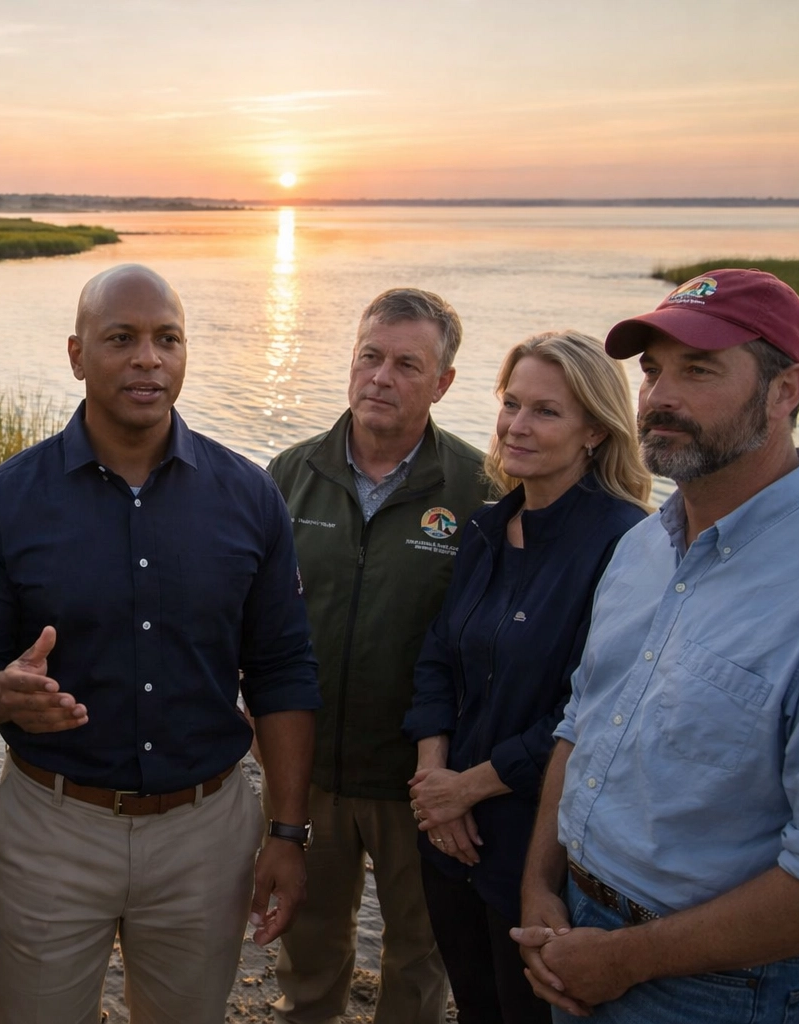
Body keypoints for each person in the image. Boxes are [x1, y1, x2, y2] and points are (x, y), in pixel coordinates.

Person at [0, 264, 319, 1024]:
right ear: (77, 354)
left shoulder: (249, 498)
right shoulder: (5, 502)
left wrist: (287, 831)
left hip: (206, 836)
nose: (148, 359)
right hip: (53, 827)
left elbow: (282, 671)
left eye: (167, 339)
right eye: (123, 339)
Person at [516, 269, 799, 1022]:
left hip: (722, 987)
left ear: (786, 392)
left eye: (699, 369)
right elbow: (584, 722)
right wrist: (540, 883)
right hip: (572, 933)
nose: (658, 396)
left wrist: (623, 961)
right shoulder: (643, 546)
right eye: (652, 371)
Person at [402, 330, 650, 1024]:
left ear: (596, 431)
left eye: (546, 411)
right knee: (475, 1004)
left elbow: (599, 714)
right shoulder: (486, 526)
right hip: (449, 834)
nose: (516, 424)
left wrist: (469, 788)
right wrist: (434, 783)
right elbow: (436, 661)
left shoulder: (627, 544)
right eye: (511, 403)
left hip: (535, 845)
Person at [266, 286, 486, 1024]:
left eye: (406, 364)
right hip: (306, 775)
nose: (381, 378)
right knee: (307, 952)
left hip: (420, 786)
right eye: (369, 357)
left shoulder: (482, 490)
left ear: (443, 383)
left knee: (419, 961)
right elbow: (247, 620)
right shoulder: (288, 475)